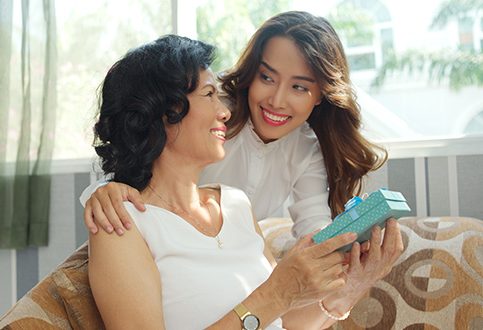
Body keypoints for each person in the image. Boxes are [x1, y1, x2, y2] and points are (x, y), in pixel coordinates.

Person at [88, 34, 403, 329]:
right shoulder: (121, 225)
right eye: (210, 94)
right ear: (163, 111)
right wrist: (276, 293)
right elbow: (269, 305)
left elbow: (281, 321)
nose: (224, 111)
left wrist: (350, 288)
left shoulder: (235, 202)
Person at [81, 11, 387, 239]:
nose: (277, 101)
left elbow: (312, 224)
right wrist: (106, 189)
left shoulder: (306, 147)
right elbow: (138, 139)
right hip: (161, 242)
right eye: (267, 77)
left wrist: (342, 249)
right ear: (252, 72)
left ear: (321, 94)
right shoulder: (211, 110)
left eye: (299, 87)